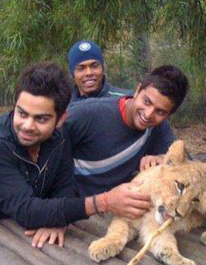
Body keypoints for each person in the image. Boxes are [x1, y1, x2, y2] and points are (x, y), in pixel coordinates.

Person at [0, 62, 151, 248]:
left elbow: (65, 185)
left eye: (41, 119)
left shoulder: (58, 137)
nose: (28, 125)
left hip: (17, 230)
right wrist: (104, 202)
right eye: (22, 113)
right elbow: (26, 210)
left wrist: (58, 220)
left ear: (61, 119)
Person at [66, 64, 189, 196]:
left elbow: (185, 164)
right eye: (147, 101)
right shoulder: (86, 114)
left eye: (160, 111)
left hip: (120, 204)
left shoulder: (158, 126)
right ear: (137, 90)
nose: (148, 114)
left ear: (168, 115)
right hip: (78, 205)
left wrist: (162, 159)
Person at [68, 39, 132, 102]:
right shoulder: (63, 106)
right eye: (81, 69)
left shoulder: (125, 100)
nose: (89, 73)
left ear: (103, 68)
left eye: (94, 66)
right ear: (72, 73)